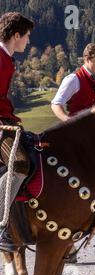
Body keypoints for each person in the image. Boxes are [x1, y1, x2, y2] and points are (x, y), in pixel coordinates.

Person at [0, 12, 34, 251]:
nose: (28, 41)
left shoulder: (6, 58)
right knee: (20, 163)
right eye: (27, 36)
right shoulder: (0, 59)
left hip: (5, 120)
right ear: (16, 35)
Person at [51, 43, 95, 121]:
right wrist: (68, 121)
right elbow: (55, 104)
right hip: (75, 130)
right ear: (87, 60)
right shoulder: (73, 79)